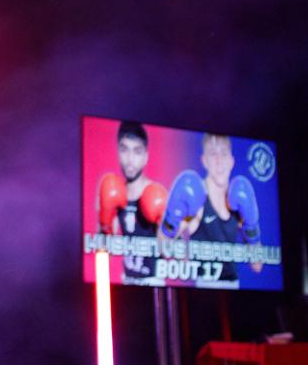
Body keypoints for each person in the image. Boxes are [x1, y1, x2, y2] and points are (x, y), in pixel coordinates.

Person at [180, 133, 263, 286]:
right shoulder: (197, 198)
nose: (219, 161)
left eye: (223, 153)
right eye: (213, 153)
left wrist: (251, 226)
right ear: (205, 161)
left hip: (233, 289)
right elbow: (166, 243)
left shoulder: (238, 201)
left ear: (231, 161)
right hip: (202, 290)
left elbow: (257, 265)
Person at [96, 121, 166, 284]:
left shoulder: (158, 193)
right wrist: (104, 223)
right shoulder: (112, 188)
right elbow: (103, 250)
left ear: (146, 157)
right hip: (127, 282)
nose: (130, 159)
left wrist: (167, 226)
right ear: (118, 152)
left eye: (137, 151)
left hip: (154, 283)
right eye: (124, 149)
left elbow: (170, 253)